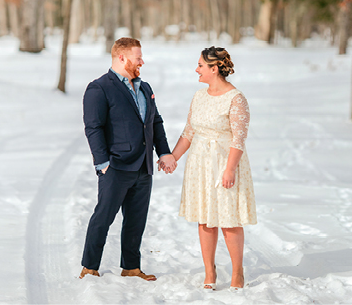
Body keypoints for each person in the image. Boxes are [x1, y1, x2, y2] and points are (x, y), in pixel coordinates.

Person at [80, 37, 177, 281]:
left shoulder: (145, 88)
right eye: (138, 57)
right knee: (103, 217)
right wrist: (103, 163)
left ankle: (131, 267)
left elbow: (155, 122)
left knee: (136, 220)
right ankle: (90, 266)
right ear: (121, 57)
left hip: (143, 166)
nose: (142, 62)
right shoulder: (99, 88)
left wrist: (163, 152)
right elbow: (93, 127)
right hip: (116, 166)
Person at [167, 46, 256, 290]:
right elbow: (189, 132)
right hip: (199, 163)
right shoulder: (199, 96)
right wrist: (173, 157)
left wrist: (229, 169)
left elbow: (239, 138)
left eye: (200, 65)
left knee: (229, 219)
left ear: (214, 69)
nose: (196, 69)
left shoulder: (236, 99)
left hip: (225, 162)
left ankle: (237, 273)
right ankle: (210, 271)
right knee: (205, 218)